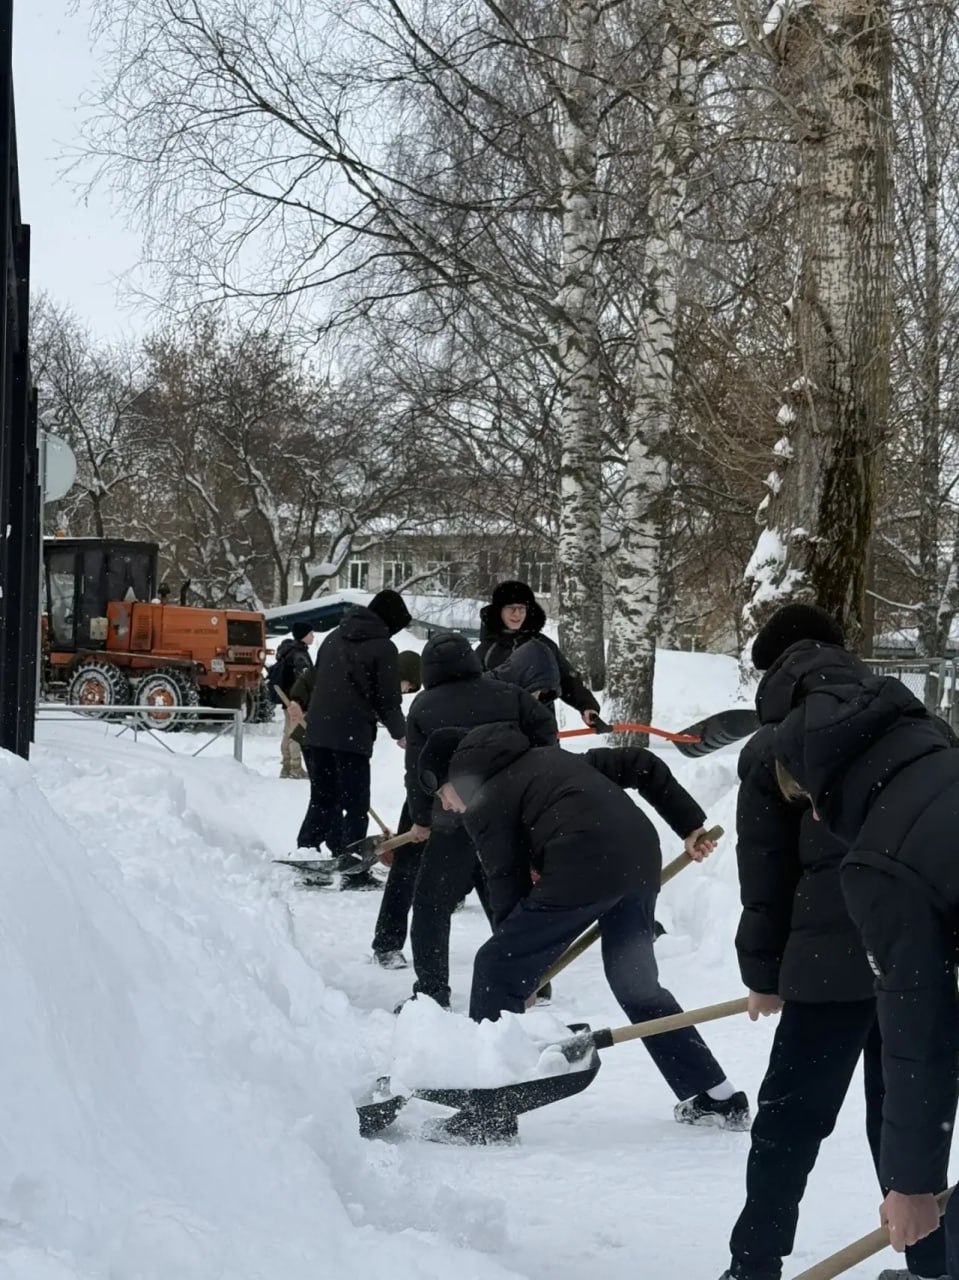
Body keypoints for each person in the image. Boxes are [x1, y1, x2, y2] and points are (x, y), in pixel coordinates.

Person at [717, 603, 947, 1280]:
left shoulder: (776, 745)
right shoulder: (918, 722)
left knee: (790, 1117)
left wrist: (761, 972)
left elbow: (763, 871)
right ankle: (932, 1261)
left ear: (772, 671)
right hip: (920, 941)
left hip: (828, 955)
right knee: (905, 1101)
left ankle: (753, 1261)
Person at [416, 720, 750, 1134]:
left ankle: (487, 1117)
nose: (446, 806)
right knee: (637, 986)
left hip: (585, 863)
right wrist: (689, 823)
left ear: (456, 777)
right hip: (638, 859)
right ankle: (717, 1095)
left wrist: (521, 971)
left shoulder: (485, 800)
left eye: (441, 794)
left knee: (494, 966)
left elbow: (506, 881)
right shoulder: (549, 757)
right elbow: (639, 762)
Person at [400, 631, 557, 1008]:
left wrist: (421, 820)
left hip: (454, 817)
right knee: (506, 895)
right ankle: (532, 979)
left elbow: (417, 770)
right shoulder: (507, 692)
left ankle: (433, 990)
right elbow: (545, 732)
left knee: (431, 904)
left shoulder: (423, 705)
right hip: (508, 813)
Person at [289, 589, 411, 890]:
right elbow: (387, 699)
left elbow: (317, 680)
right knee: (356, 805)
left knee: (322, 798)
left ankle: (308, 855)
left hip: (317, 733)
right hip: (351, 735)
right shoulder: (383, 647)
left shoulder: (333, 637)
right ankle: (354, 870)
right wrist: (401, 732)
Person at [476, 580, 600, 725]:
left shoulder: (542, 645)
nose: (517, 614)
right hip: (501, 729)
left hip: (542, 726)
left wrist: (587, 706)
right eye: (511, 608)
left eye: (522, 608)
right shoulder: (487, 650)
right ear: (499, 611)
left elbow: (568, 679)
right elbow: (475, 690)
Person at [269, 622, 314, 780]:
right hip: (297, 700)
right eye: (310, 634)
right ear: (303, 636)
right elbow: (305, 678)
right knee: (297, 733)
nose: (313, 636)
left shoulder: (287, 651)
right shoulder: (299, 654)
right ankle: (296, 767)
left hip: (286, 697)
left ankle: (286, 765)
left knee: (288, 731)